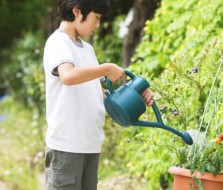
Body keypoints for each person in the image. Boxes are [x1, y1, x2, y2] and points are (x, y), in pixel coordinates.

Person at [43, 0, 154, 189]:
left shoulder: (88, 50)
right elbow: (68, 76)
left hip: (90, 145)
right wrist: (105, 68)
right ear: (77, 11)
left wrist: (136, 95)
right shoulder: (58, 42)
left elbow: (100, 95)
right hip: (67, 147)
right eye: (97, 18)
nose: (98, 25)